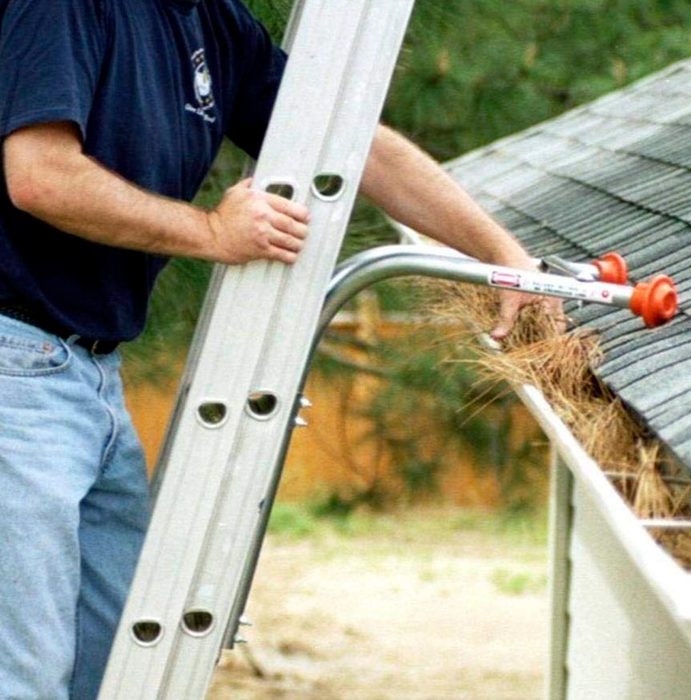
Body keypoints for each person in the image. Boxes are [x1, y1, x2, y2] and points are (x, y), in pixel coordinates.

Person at [0, 0, 558, 697]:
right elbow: (40, 175)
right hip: (16, 368)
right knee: (20, 674)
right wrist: (211, 233)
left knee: (118, 673)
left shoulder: (211, 22)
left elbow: (355, 147)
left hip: (89, 373)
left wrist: (505, 256)